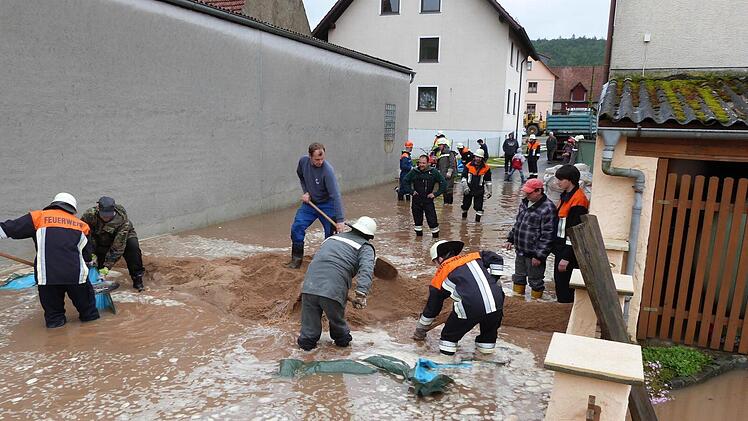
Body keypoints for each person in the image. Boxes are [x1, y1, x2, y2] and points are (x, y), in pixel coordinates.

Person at [0, 193, 99, 328]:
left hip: (47, 277)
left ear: (53, 204)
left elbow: (5, 230)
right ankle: (93, 341)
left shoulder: (37, 217)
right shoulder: (82, 226)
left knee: (54, 318)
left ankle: (57, 345)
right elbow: (87, 256)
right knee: (90, 314)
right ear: (72, 210)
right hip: (76, 276)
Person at [297, 217, 377, 351]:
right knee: (339, 328)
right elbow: (366, 270)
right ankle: (342, 353)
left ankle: (305, 356)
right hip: (332, 290)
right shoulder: (365, 247)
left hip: (309, 286)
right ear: (369, 236)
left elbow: (321, 259)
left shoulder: (332, 239)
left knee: (308, 333)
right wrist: (361, 293)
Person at [412, 240, 505, 356]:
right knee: (488, 336)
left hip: (470, 307)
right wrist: (494, 278)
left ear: (440, 259)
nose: (436, 266)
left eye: (435, 262)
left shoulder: (440, 275)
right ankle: (486, 362)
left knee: (448, 337)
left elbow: (432, 308)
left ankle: (448, 366)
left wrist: (421, 328)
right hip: (497, 304)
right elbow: (496, 258)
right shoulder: (474, 256)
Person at [287, 143, 346, 269]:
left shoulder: (327, 171)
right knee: (297, 226)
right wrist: (306, 192)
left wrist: (340, 220)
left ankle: (329, 264)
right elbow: (301, 176)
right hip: (311, 203)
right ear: (310, 157)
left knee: (331, 235)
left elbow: (336, 195)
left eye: (322, 159)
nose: (320, 162)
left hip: (328, 204)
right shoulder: (303, 162)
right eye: (317, 159)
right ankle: (296, 259)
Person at [504, 179, 557, 299]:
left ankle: (536, 305)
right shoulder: (524, 203)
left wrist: (539, 256)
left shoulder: (548, 208)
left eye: (530, 193)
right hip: (520, 250)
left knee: (536, 281)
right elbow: (518, 224)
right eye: (526, 193)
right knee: (518, 277)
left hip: (534, 255)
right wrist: (510, 239)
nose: (526, 195)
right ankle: (518, 301)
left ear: (539, 191)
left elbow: (548, 235)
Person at [81, 196, 145, 292]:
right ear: (98, 209)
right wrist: (90, 253)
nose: (106, 218)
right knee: (96, 263)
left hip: (123, 238)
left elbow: (118, 247)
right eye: (103, 215)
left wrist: (107, 267)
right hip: (100, 238)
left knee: (133, 248)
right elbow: (83, 234)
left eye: (109, 215)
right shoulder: (89, 215)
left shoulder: (123, 222)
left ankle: (137, 278)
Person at [553, 165, 590, 303]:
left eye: (561, 179)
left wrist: (566, 257)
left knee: (564, 287)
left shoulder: (578, 200)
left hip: (568, 251)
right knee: (560, 283)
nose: (557, 182)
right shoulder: (566, 196)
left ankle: (565, 314)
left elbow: (574, 230)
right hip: (561, 248)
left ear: (570, 180)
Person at [403, 155, 447, 238]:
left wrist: (435, 194)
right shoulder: (414, 172)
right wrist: (411, 191)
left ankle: (435, 241)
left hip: (428, 201)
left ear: (428, 163)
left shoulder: (433, 172)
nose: (421, 165)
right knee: (417, 224)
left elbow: (443, 184)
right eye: (420, 163)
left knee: (433, 222)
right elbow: (405, 181)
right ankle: (418, 243)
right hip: (416, 201)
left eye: (423, 163)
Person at [460, 148, 492, 222]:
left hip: (479, 190)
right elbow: (463, 177)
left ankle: (477, 225)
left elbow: (488, 181)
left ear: (482, 158)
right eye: (477, 157)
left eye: (480, 157)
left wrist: (490, 191)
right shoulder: (468, 166)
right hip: (468, 189)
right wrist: (465, 187)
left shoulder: (486, 168)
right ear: (474, 157)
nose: (478, 159)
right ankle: (463, 222)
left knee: (479, 208)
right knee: (465, 206)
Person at [435, 138, 458, 204]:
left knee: (449, 189)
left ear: (444, 145)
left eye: (440, 145)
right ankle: (446, 204)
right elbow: (440, 165)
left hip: (449, 175)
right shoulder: (441, 154)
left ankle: (449, 204)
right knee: (444, 189)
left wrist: (450, 172)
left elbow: (452, 163)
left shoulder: (450, 153)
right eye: (439, 145)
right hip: (443, 175)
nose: (439, 146)